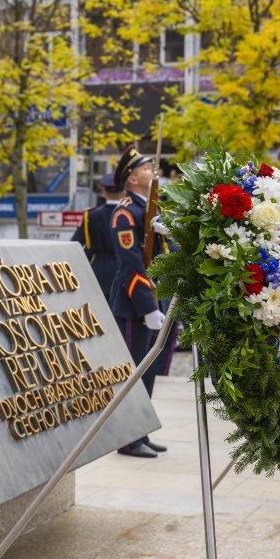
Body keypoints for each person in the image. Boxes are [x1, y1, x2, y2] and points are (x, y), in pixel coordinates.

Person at [109, 145, 169, 459]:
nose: (152, 170)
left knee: (148, 372)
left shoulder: (151, 211)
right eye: (146, 168)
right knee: (133, 373)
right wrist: (147, 307)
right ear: (132, 178)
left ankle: (140, 431)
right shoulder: (125, 214)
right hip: (134, 306)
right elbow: (131, 264)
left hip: (153, 302)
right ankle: (128, 438)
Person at [71, 175, 125, 304]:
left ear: (104, 193)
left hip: (99, 271)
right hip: (125, 270)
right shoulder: (130, 214)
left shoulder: (91, 215)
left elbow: (76, 244)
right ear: (124, 193)